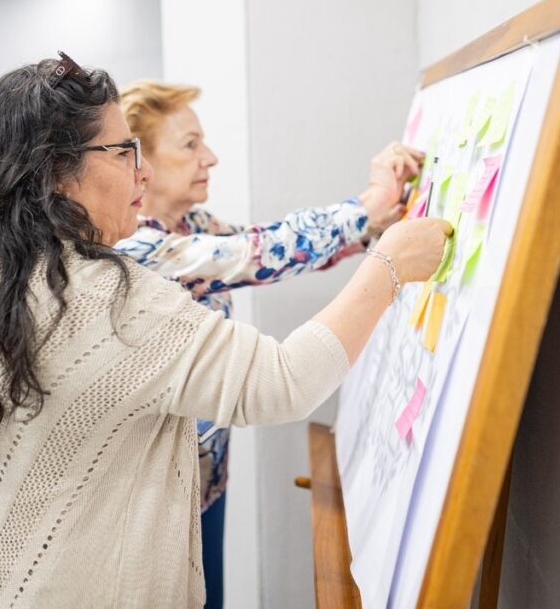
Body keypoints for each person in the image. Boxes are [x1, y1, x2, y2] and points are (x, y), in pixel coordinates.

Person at [0, 53, 450, 608]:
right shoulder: (108, 294)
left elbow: (261, 243)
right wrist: (390, 265)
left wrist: (370, 219)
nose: (143, 172)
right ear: (58, 174)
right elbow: (282, 380)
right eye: (124, 151)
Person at [114, 80, 422, 607]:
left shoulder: (190, 224)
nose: (208, 157)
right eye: (189, 145)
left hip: (207, 472)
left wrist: (380, 221)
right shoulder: (136, 247)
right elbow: (254, 255)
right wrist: (366, 207)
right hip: (159, 495)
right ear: (139, 163)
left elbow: (272, 244)